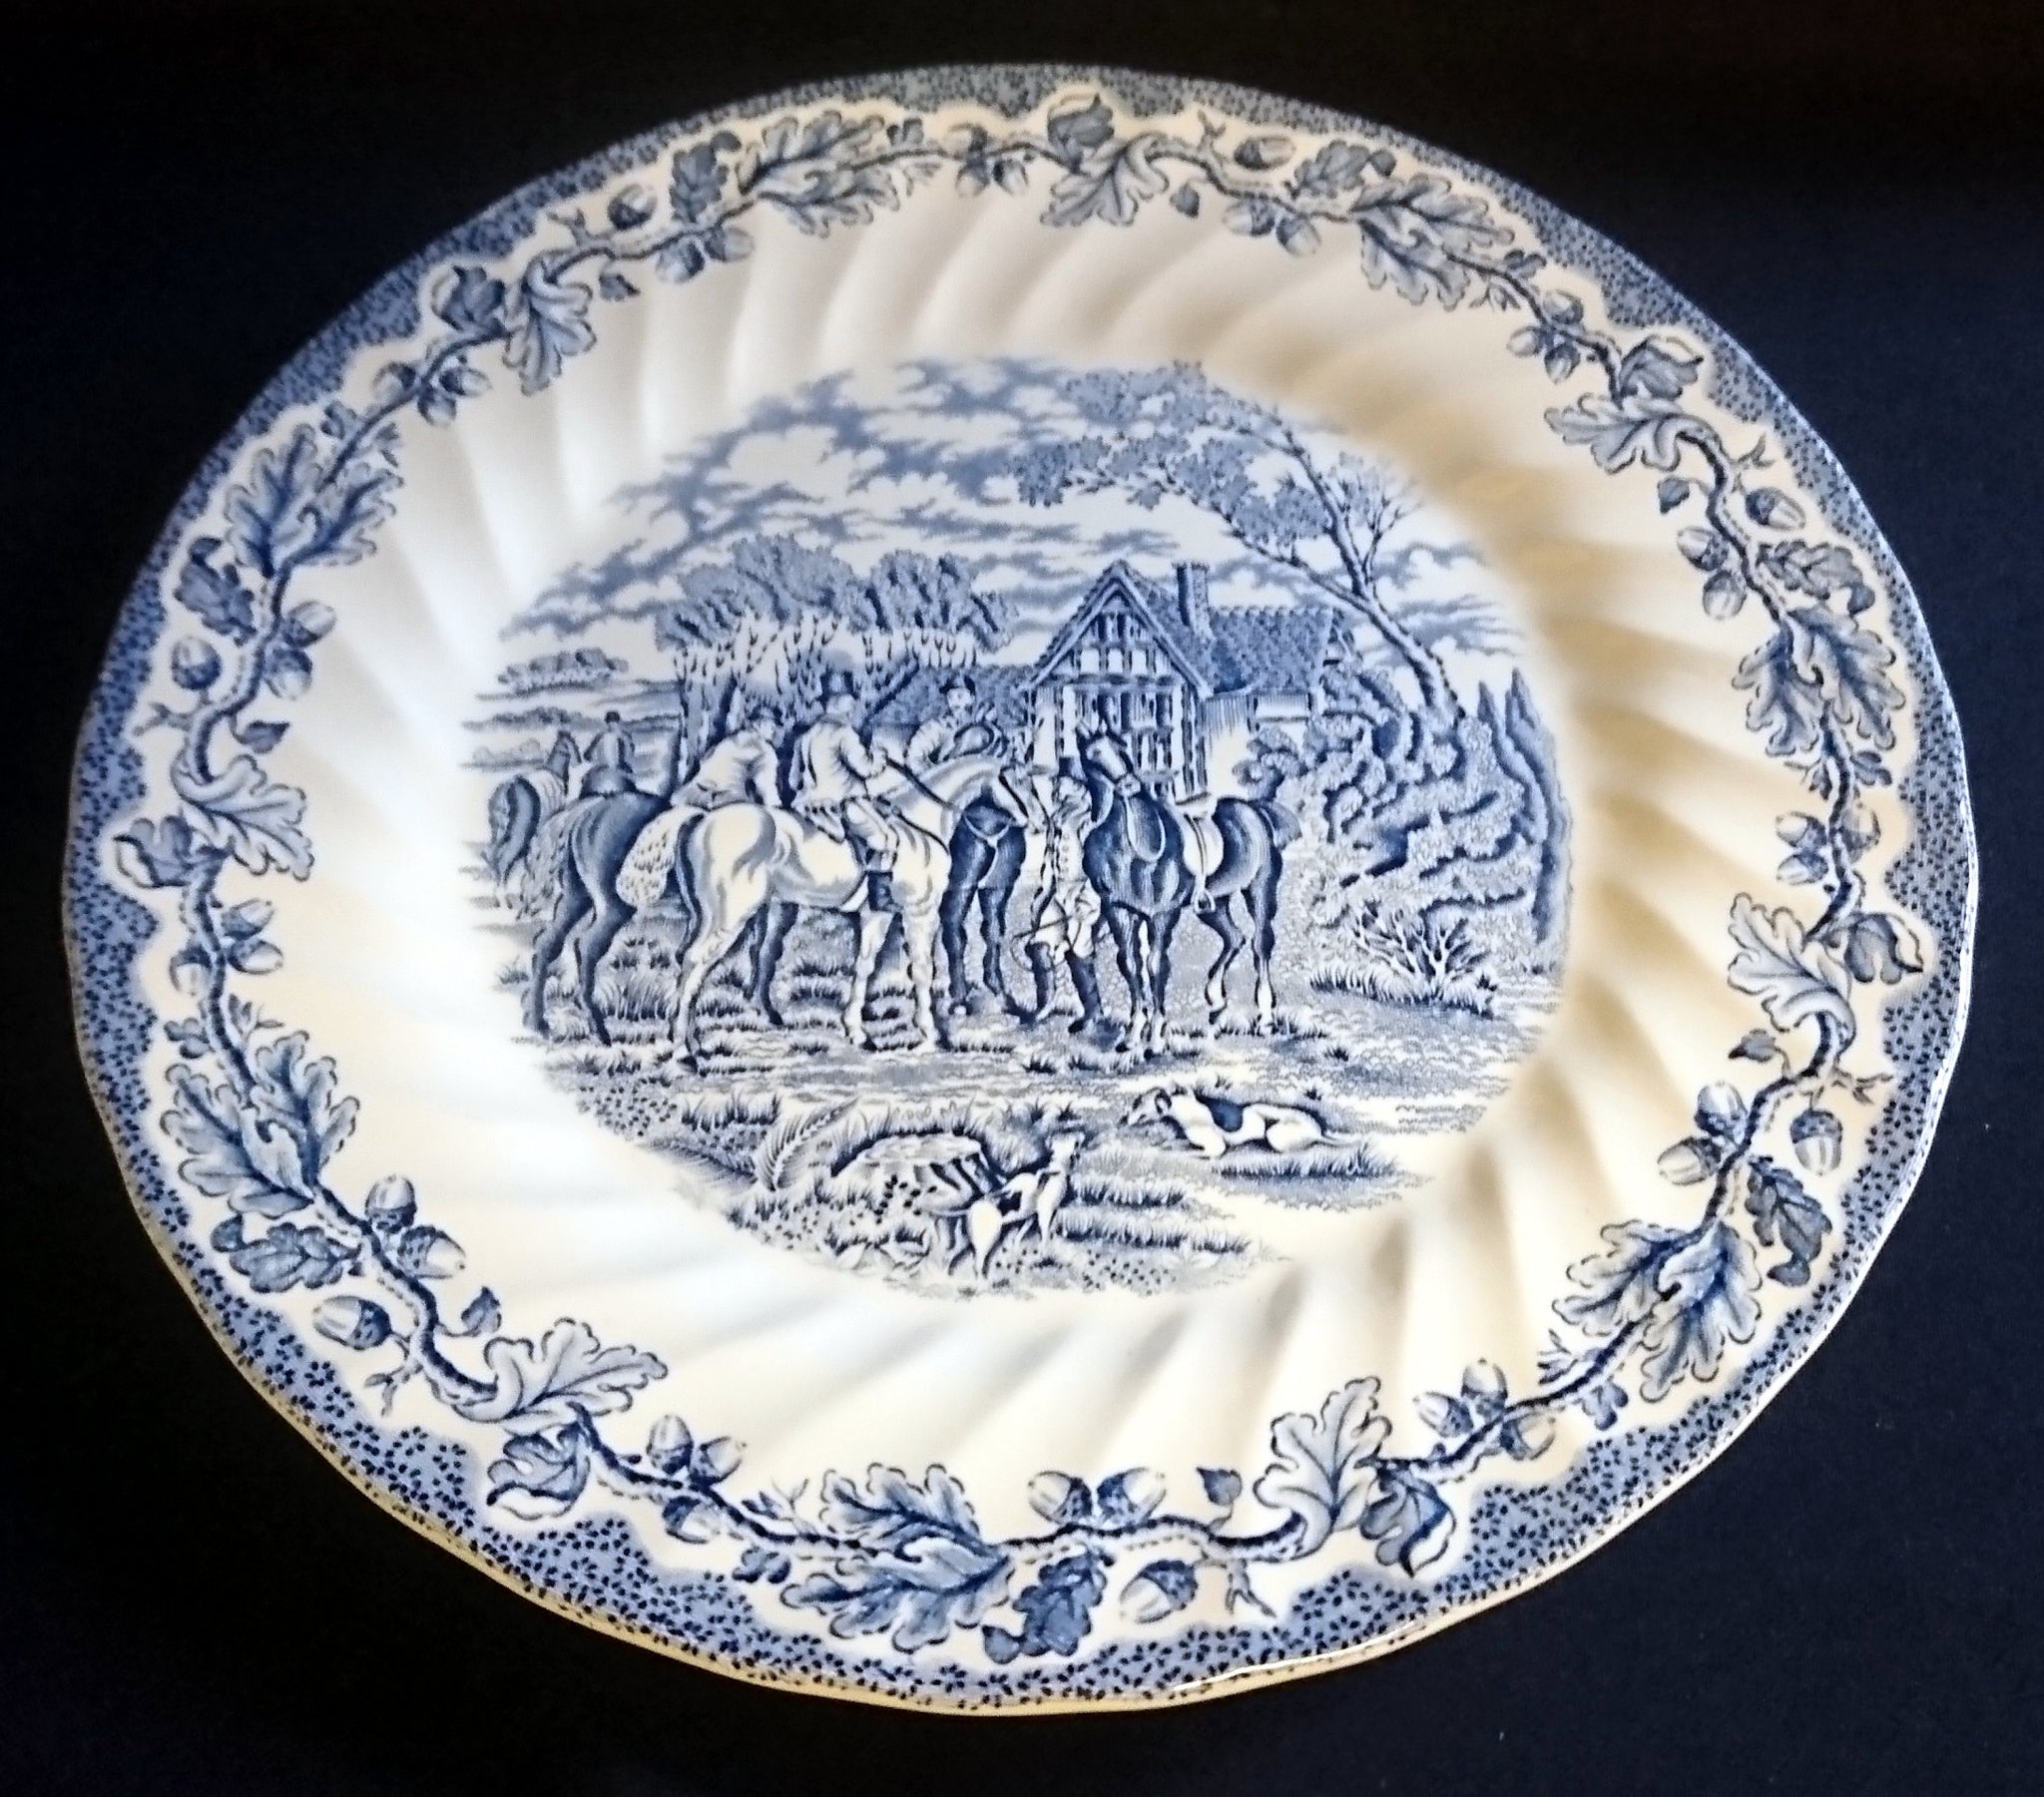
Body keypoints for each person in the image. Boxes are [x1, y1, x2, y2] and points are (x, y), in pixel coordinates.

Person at [1024, 761, 1105, 1035]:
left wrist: (1088, 900)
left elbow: (1096, 863)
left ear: (1077, 785)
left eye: (1062, 781)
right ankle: (1045, 1003)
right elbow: (1049, 860)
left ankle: (1093, 1012)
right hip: (1057, 891)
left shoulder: (1089, 819)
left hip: (1081, 893)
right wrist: (1043, 894)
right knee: (1039, 946)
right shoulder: (1058, 817)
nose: (1056, 785)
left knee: (1079, 952)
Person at [790, 672, 896, 875]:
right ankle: (874, 890)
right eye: (850, 699)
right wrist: (879, 757)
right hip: (843, 805)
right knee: (887, 839)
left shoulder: (805, 737)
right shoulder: (843, 733)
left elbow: (794, 781)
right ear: (838, 701)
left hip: (806, 806)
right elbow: (866, 768)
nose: (853, 704)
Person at [672, 696, 781, 811]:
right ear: (758, 724)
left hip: (692, 795)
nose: (773, 731)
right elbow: (765, 785)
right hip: (727, 801)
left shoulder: (728, 741)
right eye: (771, 726)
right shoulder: (764, 750)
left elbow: (704, 762)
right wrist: (776, 807)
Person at [904, 674, 993, 772]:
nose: (954, 702)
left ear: (972, 699)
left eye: (960, 696)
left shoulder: (986, 728)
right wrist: (936, 774)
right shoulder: (937, 727)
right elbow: (913, 758)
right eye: (950, 697)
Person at [580, 709, 637, 795]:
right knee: (584, 779)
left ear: (618, 722)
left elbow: (630, 753)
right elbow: (587, 755)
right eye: (610, 722)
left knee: (630, 779)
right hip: (606, 767)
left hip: (618, 767)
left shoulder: (623, 736)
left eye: (613, 722)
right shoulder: (601, 736)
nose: (611, 725)